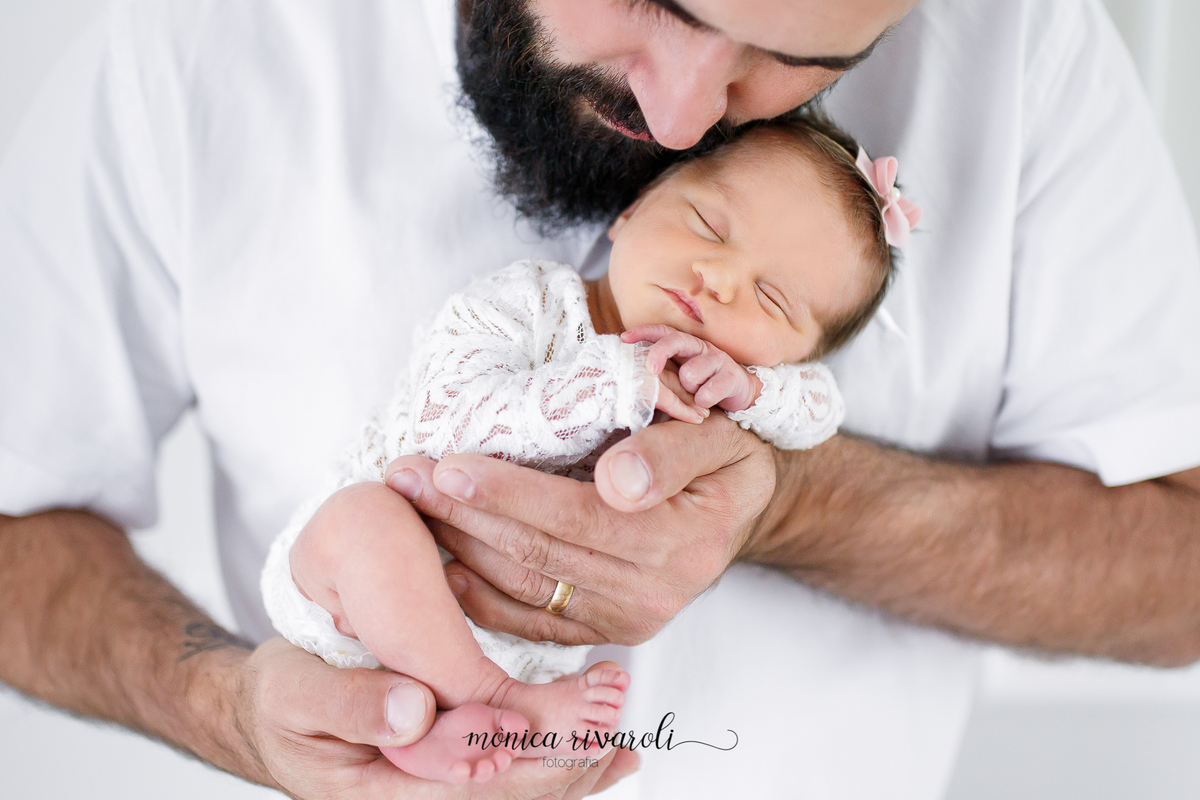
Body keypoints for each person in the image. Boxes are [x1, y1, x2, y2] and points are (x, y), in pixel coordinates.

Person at [1, 0, 1198, 798]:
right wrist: (226, 706)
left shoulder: (1026, 43)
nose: (680, 120)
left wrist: (785, 501)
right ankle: (488, 699)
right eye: (662, 2)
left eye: (802, 65)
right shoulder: (196, 44)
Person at [261, 116, 910, 783]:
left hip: (511, 646)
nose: (719, 278)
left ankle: (437, 730)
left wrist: (752, 392)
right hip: (349, 586)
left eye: (770, 299)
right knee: (366, 517)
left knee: (517, 758)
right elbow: (445, 436)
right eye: (709, 228)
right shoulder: (527, 304)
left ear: (791, 355)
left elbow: (820, 411)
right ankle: (489, 699)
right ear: (630, 212)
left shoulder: (711, 399)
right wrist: (613, 380)